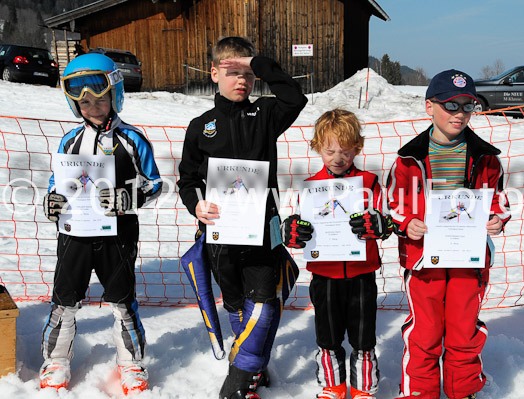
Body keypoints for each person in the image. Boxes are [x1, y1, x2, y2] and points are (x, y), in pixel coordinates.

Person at [177, 36, 307, 399]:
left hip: (264, 231)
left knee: (263, 304)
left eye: (248, 74)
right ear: (214, 73)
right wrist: (196, 205)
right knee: (237, 306)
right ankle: (254, 369)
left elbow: (296, 98)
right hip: (220, 235)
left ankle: (239, 378)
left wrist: (260, 63)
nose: (242, 81)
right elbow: (187, 179)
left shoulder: (265, 114)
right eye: (233, 72)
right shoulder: (200, 126)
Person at [40, 53, 162, 394]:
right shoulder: (70, 141)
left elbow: (154, 183)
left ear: (115, 96)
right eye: (85, 102)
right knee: (64, 299)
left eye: (101, 99)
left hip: (118, 236)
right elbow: (57, 182)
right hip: (75, 235)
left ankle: (131, 364)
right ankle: (56, 360)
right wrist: (53, 202)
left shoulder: (133, 139)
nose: (93, 107)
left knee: (122, 300)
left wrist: (129, 199)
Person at [385, 70, 511, 399]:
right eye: (450, 105)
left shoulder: (486, 158)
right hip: (424, 258)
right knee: (425, 332)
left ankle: (462, 390)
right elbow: (393, 203)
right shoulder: (408, 158)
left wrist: (497, 218)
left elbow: (499, 199)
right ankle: (420, 393)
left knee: (463, 329)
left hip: (468, 258)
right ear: (429, 107)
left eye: (468, 106)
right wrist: (407, 223)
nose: (459, 113)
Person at [282, 109, 393, 399]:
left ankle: (363, 388)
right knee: (328, 335)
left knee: (362, 335)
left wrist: (379, 223)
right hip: (324, 274)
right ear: (318, 148)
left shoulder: (369, 182)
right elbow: (298, 226)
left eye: (345, 151)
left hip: (361, 273)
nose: (338, 158)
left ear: (357, 147)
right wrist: (292, 231)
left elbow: (387, 218)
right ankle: (332, 385)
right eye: (330, 151)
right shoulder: (310, 188)